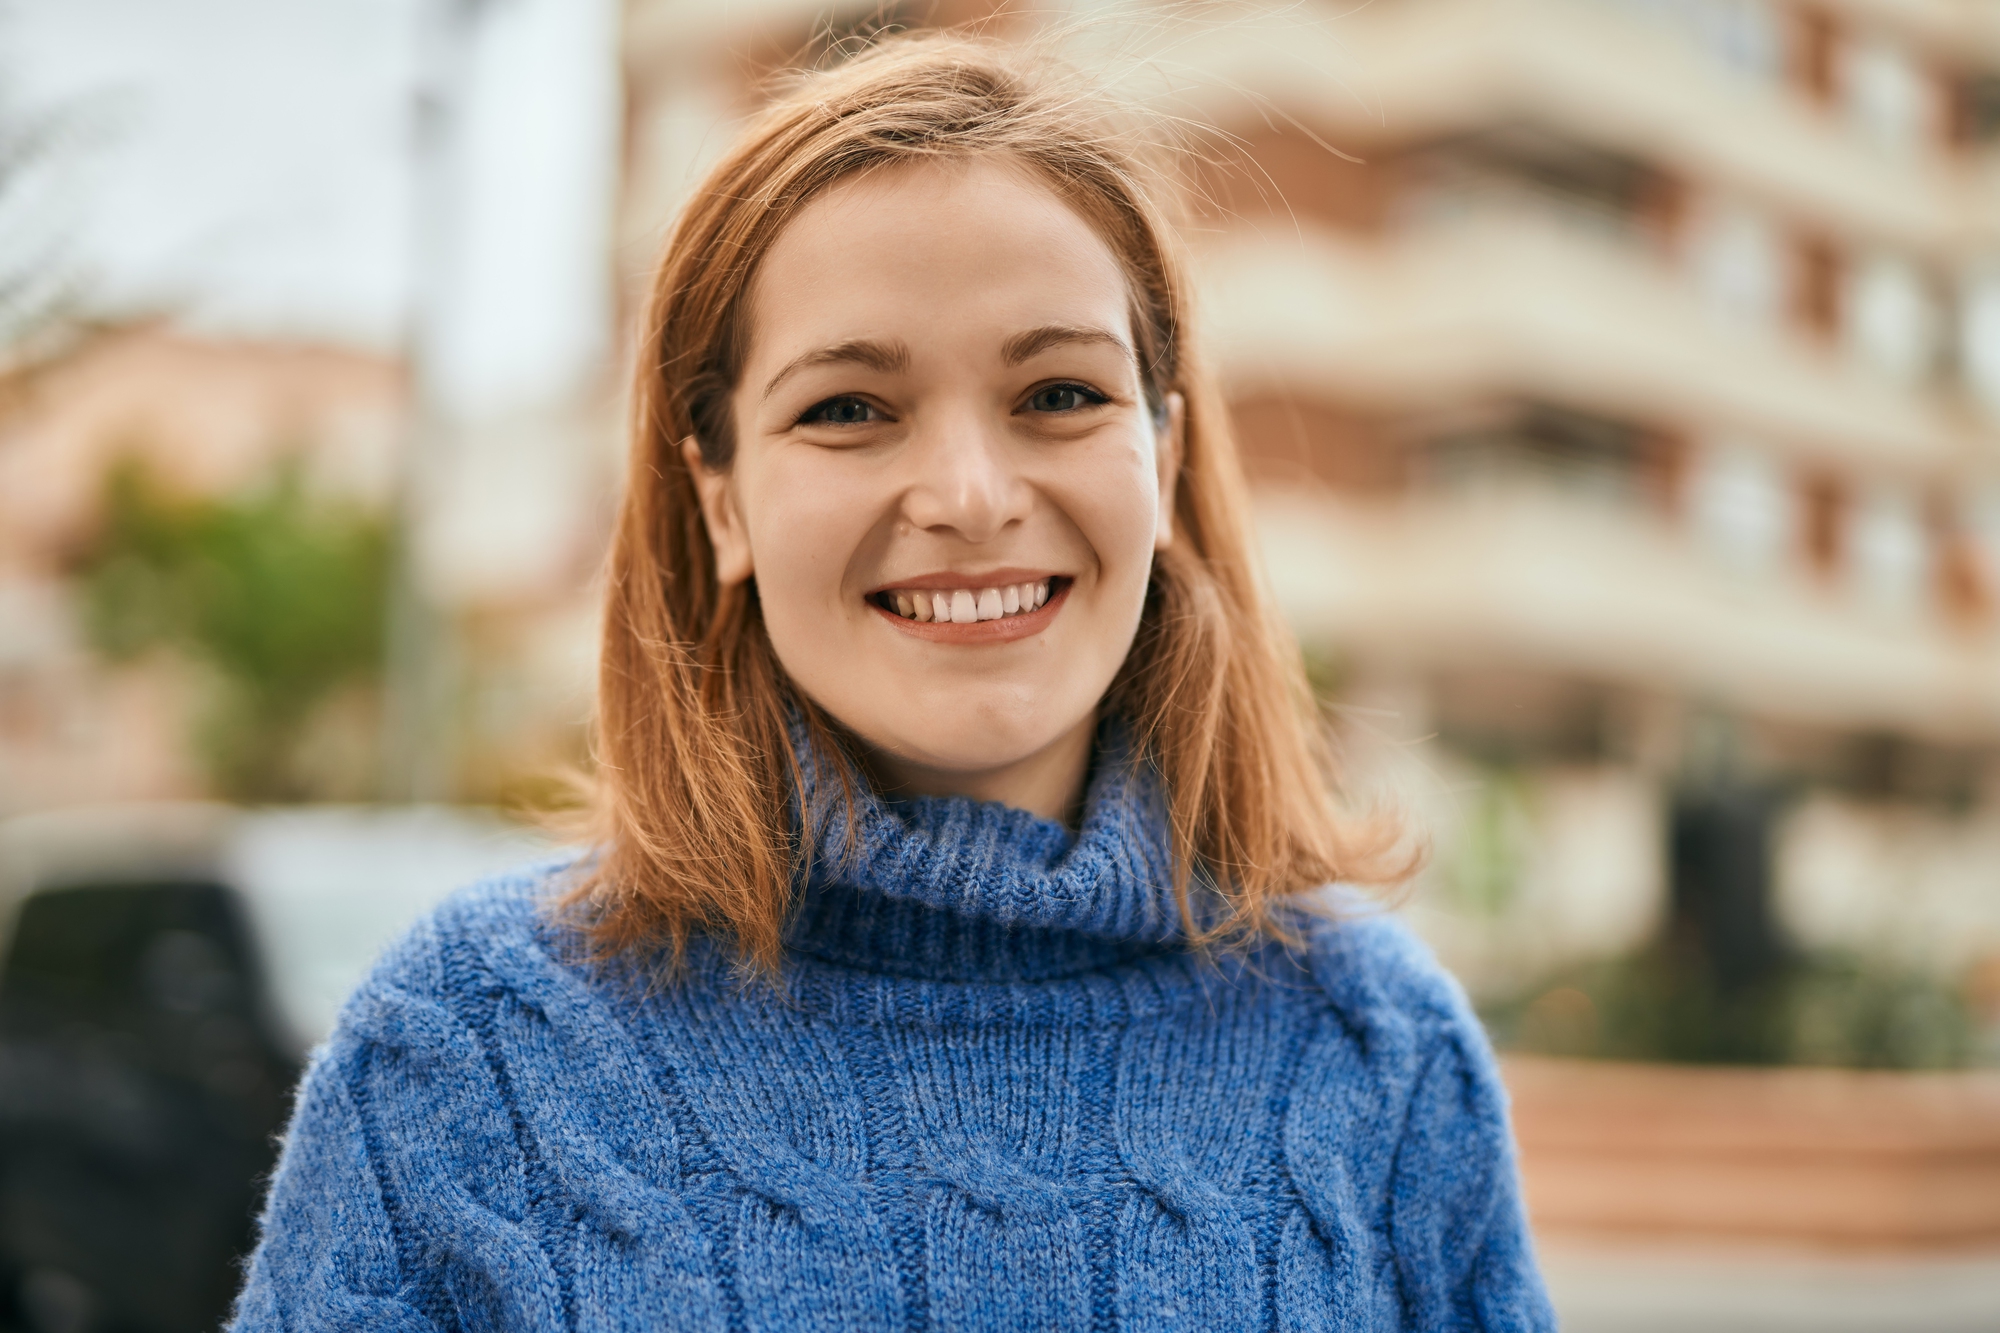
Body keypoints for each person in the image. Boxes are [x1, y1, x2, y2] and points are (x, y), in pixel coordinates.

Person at [231, 31, 1555, 1332]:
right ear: (722, 499)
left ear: (1165, 454)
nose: (971, 497)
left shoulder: (1378, 1049)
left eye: (1059, 392)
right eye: (849, 409)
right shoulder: (469, 1051)